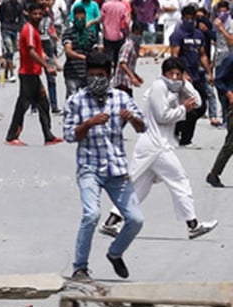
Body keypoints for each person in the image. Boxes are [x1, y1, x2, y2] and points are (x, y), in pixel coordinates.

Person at [97, 58, 218, 241]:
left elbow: (199, 102)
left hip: (156, 146)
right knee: (179, 180)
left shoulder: (175, 88)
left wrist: (185, 84)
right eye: (172, 74)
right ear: (164, 74)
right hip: (156, 146)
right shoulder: (159, 87)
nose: (175, 78)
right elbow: (162, 116)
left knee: (139, 188)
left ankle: (111, 221)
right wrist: (183, 109)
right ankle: (193, 225)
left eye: (178, 74)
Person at [63, 51, 147, 282]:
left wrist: (132, 119)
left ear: (109, 75)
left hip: (116, 169)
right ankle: (80, 267)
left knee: (136, 219)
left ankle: (115, 252)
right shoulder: (76, 100)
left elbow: (143, 127)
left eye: (100, 75)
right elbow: (70, 135)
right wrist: (88, 123)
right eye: (91, 75)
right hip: (89, 167)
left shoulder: (121, 98)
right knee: (91, 215)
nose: (96, 79)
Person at [5, 4, 63, 146]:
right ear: (29, 14)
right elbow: (31, 51)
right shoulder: (29, 29)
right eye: (34, 13)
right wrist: (47, 67)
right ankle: (12, 136)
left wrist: (47, 59)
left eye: (39, 13)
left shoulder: (34, 30)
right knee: (23, 105)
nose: (37, 16)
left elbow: (38, 50)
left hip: (33, 74)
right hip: (28, 74)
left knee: (43, 104)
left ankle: (48, 136)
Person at [170, 5, 213, 147]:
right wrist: (182, 75)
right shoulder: (178, 34)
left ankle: (178, 128)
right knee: (191, 106)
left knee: (201, 107)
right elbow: (174, 56)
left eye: (192, 18)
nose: (189, 21)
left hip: (196, 76)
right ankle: (185, 139)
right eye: (187, 18)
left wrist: (209, 72)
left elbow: (202, 55)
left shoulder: (199, 35)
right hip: (182, 78)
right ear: (183, 18)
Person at [207, 52, 233, 187]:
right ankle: (214, 174)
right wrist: (229, 94)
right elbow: (219, 80)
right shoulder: (231, 58)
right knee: (231, 144)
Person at [100, 0, 131, 73]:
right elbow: (126, 22)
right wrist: (128, 33)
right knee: (118, 57)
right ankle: (116, 74)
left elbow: (101, 19)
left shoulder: (105, 5)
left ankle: (108, 74)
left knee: (108, 56)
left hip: (107, 35)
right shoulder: (122, 6)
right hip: (119, 35)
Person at [114, 21, 148, 94]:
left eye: (141, 33)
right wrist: (132, 77)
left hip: (127, 83)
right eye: (137, 33)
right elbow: (122, 63)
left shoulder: (134, 46)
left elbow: (129, 66)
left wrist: (136, 76)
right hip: (122, 83)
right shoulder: (128, 46)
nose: (139, 36)